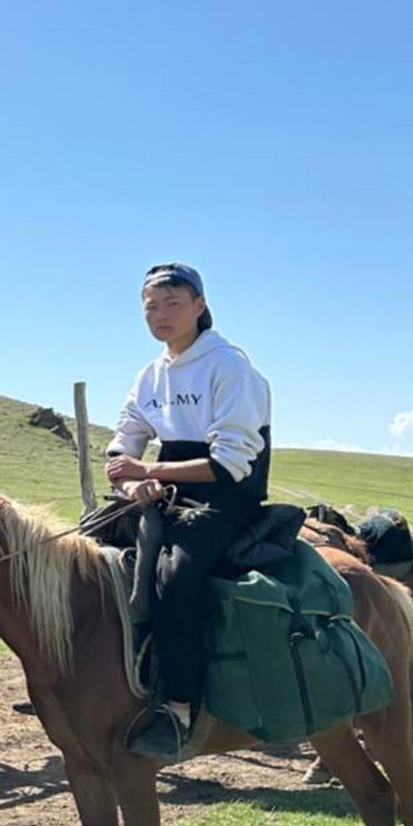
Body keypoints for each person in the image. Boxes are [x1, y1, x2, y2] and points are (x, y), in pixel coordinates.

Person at [106, 261, 272, 759]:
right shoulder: (150, 375)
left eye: (172, 303)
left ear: (199, 306)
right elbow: (123, 442)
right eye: (150, 306)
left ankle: (179, 709)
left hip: (224, 503)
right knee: (84, 561)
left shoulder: (230, 366)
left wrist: (151, 474)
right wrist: (131, 481)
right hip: (163, 493)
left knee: (174, 580)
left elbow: (230, 465)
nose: (159, 315)